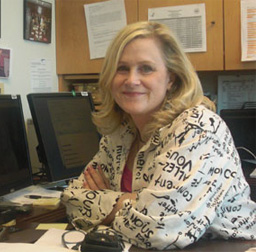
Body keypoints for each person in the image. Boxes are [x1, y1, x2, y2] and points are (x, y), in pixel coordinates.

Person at [61, 21, 256, 250]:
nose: (132, 80)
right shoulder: (119, 134)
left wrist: (105, 199)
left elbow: (160, 230)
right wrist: (141, 204)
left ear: (171, 78)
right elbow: (72, 199)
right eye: (122, 68)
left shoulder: (199, 128)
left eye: (146, 68)